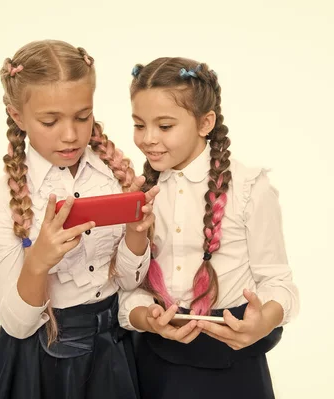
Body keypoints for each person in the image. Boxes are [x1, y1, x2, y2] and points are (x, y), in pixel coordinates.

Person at [0, 39, 158, 399]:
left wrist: (136, 236)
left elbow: (132, 284)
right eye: (50, 121)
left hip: (117, 345)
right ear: (17, 116)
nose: (70, 135)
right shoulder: (1, 201)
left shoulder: (113, 175)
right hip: (48, 360)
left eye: (82, 116)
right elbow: (18, 326)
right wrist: (38, 262)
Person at [118, 58, 300, 399]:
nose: (148, 139)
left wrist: (263, 322)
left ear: (206, 123)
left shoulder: (248, 189)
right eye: (139, 125)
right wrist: (146, 317)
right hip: (155, 363)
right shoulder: (139, 192)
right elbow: (128, 285)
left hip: (233, 365)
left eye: (165, 126)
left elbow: (278, 282)